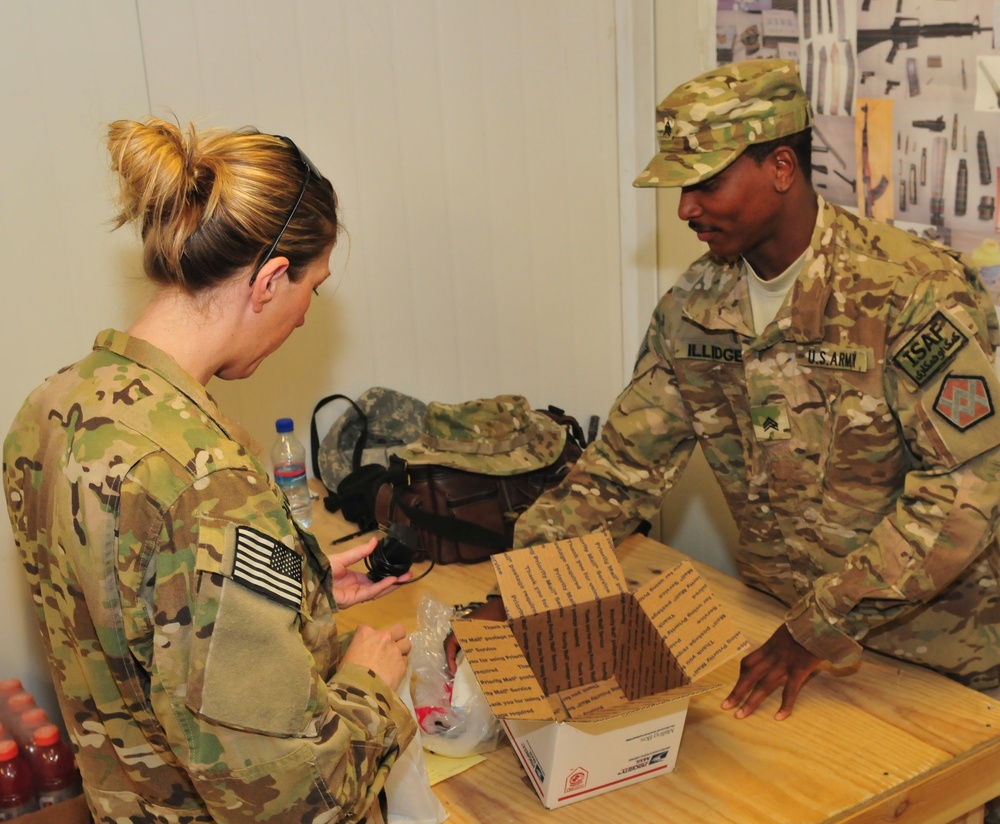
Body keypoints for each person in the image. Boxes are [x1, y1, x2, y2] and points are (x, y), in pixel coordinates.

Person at [450, 58, 1000, 723]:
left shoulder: (910, 291)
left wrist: (820, 624)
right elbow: (623, 468)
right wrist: (527, 584)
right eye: (681, 187)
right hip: (782, 635)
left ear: (779, 168)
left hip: (938, 657)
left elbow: (965, 491)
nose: (685, 209)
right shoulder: (697, 305)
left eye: (705, 183)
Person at [2, 118, 416, 822]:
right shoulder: (205, 484)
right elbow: (292, 801)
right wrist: (368, 686)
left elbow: (142, 624)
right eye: (312, 290)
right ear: (271, 279)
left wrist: (307, 592)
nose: (305, 320)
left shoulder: (50, 407)